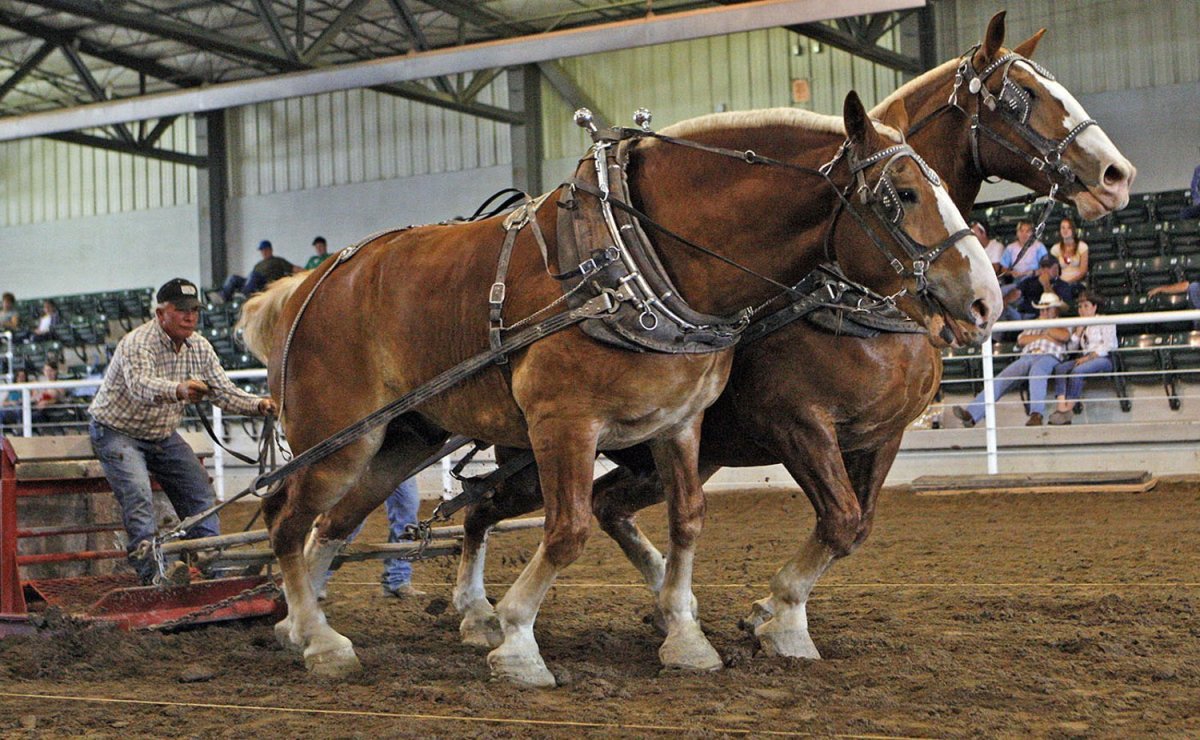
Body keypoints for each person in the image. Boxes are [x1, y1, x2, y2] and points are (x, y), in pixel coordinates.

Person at [88, 278, 277, 585]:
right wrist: (179, 389)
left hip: (159, 434)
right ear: (161, 313)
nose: (191, 316)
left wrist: (257, 405)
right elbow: (140, 386)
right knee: (139, 496)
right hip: (116, 431)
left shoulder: (199, 346)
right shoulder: (137, 343)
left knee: (199, 491)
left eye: (195, 310)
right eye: (182, 310)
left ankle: (211, 562)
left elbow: (222, 391)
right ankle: (152, 571)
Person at [953, 292, 1070, 427]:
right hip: (1029, 356)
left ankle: (1036, 414)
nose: (1043, 312)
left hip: (1049, 356)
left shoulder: (1063, 324)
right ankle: (972, 414)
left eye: (1047, 309)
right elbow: (1022, 340)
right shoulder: (1034, 323)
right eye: (1042, 309)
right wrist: (1045, 337)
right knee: (1002, 378)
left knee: (1038, 372)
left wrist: (1047, 327)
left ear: (1056, 310)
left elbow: (1064, 336)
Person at [323, 477, 425, 601]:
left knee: (407, 515)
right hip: (369, 464)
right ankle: (319, 576)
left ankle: (398, 580)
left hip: (401, 463)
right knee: (352, 519)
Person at [1049, 291, 1118, 425]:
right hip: (1085, 358)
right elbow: (1071, 349)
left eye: (1086, 306)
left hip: (1102, 359)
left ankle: (1067, 411)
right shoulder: (1081, 323)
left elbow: (1109, 346)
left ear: (1094, 307)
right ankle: (1061, 406)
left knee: (1077, 371)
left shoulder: (1105, 321)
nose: (1082, 310)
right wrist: (1078, 332)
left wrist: (1088, 359)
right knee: (1060, 368)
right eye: (1080, 307)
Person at [220, 240, 299, 301]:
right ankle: (223, 297)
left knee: (253, 275)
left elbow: (293, 268)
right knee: (233, 278)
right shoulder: (258, 265)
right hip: (253, 283)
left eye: (265, 250)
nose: (264, 252)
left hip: (266, 283)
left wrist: (307, 272)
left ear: (270, 250)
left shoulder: (277, 260)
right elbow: (250, 278)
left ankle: (245, 296)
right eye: (262, 250)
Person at [1050, 217, 1089, 287]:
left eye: (1069, 228)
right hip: (1060, 284)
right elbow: (1053, 271)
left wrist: (1069, 282)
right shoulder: (1055, 249)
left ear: (1073, 230)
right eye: (1063, 228)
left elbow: (1083, 271)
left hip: (1077, 283)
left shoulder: (1082, 246)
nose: (1065, 231)